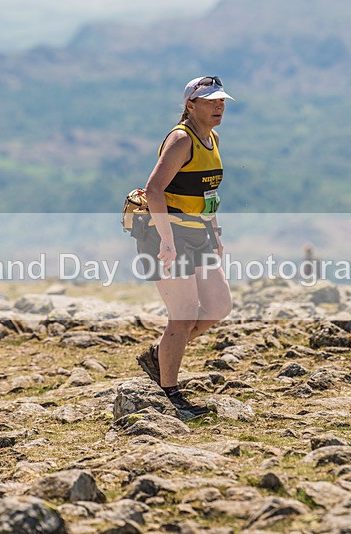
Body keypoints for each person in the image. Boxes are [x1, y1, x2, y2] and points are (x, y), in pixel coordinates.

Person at [135, 76, 234, 420]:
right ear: (190, 105)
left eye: (221, 101)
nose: (218, 106)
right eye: (209, 101)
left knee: (219, 305)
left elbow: (206, 194)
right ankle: (170, 394)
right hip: (166, 234)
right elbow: (154, 190)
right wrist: (166, 239)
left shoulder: (213, 138)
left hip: (198, 232)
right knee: (184, 315)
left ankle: (159, 357)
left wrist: (215, 233)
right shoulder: (181, 139)